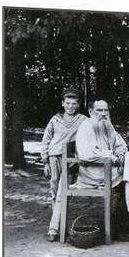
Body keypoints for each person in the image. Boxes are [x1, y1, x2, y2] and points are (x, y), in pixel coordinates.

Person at [41, 88, 87, 242]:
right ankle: (61, 225)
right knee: (55, 193)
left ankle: (53, 229)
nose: (71, 106)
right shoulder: (55, 120)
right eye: (68, 103)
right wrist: (45, 161)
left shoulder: (82, 120)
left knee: (62, 193)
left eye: (74, 104)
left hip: (69, 160)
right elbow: (46, 140)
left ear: (78, 105)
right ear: (62, 103)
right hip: (54, 158)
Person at [75, 99, 127, 188]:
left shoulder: (107, 124)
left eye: (105, 110)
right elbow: (87, 154)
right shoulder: (86, 126)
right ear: (90, 112)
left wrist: (121, 155)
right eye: (99, 110)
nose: (103, 113)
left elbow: (119, 144)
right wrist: (113, 157)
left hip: (108, 167)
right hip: (93, 172)